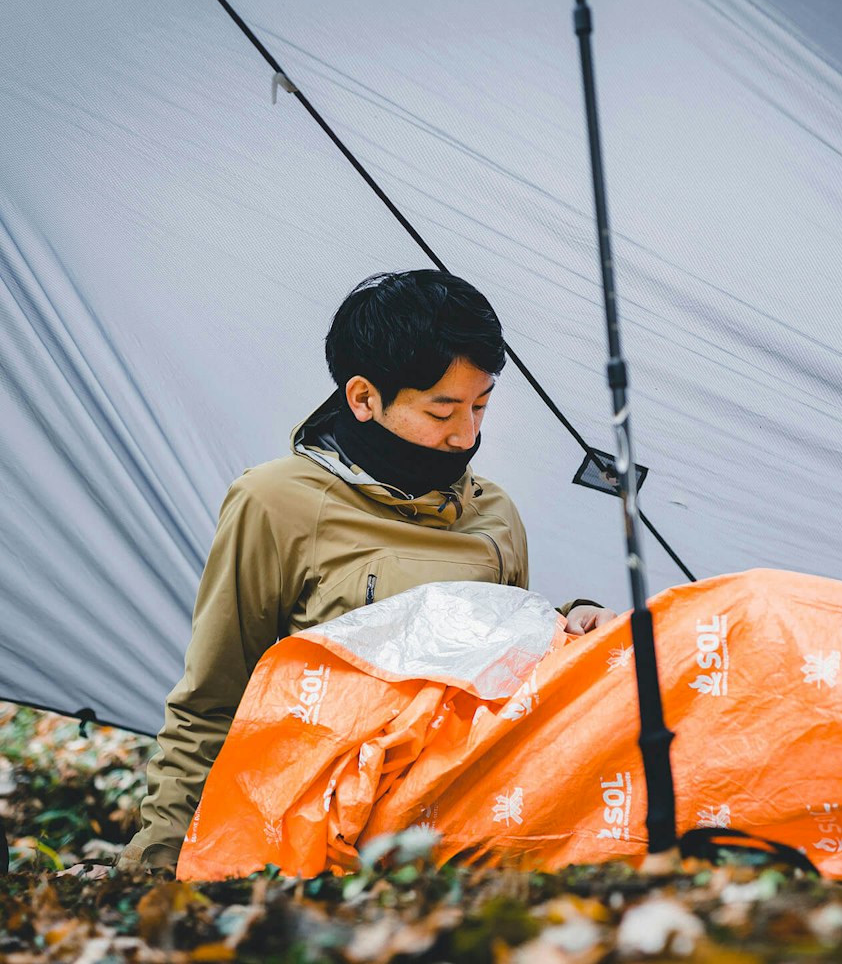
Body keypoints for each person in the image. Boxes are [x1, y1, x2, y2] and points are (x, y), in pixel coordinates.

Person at [119, 270, 615, 871]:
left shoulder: (495, 513)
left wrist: (570, 624)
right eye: (442, 411)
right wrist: (157, 861)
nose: (466, 435)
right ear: (363, 398)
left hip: (472, 835)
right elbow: (213, 697)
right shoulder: (276, 501)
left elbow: (508, 685)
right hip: (323, 839)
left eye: (481, 406)